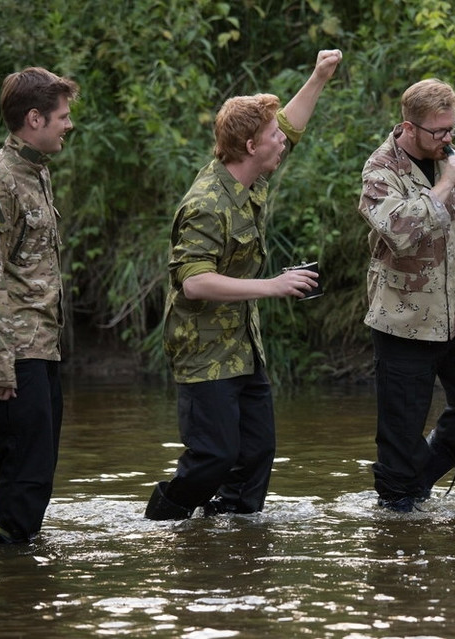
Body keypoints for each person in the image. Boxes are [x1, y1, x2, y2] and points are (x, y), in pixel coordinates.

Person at [144, 49, 342, 520]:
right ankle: (160, 528)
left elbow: (289, 125)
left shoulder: (253, 176)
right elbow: (193, 283)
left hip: (243, 345)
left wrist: (318, 77)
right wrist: (272, 286)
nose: (283, 142)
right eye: (272, 137)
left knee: (255, 455)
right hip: (203, 351)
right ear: (251, 146)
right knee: (213, 458)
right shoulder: (206, 203)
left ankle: (235, 545)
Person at [358, 78, 455, 513]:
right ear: (409, 127)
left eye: (452, 129)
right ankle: (396, 517)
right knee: (399, 435)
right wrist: (444, 183)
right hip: (403, 320)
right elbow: (400, 231)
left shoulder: (451, 160)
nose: (448, 139)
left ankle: (419, 478)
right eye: (438, 132)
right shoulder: (380, 170)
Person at [0, 67, 79, 543]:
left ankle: (21, 588)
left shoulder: (36, 172)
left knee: (38, 476)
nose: (68, 125)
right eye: (62, 117)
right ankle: (7, 588)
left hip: (40, 349)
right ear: (35, 118)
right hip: (12, 357)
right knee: (24, 478)